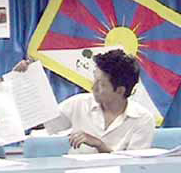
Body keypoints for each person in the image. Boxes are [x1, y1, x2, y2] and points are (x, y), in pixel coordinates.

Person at [15, 49, 155, 153]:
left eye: (101, 84)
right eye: (95, 79)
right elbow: (42, 120)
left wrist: (100, 145)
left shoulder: (143, 119)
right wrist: (23, 80)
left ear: (120, 90)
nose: (93, 87)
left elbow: (134, 168)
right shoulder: (79, 103)